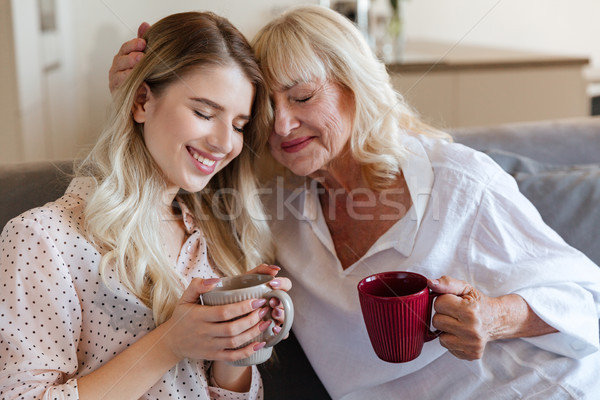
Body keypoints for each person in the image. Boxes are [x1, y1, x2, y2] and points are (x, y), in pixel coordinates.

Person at [109, 5, 600, 399]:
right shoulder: (276, 214)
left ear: (355, 86)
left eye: (302, 98)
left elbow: (588, 299)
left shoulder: (457, 182)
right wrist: (136, 99)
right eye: (266, 112)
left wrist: (495, 317)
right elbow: (187, 164)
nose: (282, 125)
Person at [0, 11, 292, 400]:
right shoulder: (43, 239)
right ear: (141, 101)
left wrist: (235, 345)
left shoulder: (213, 238)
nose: (225, 142)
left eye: (239, 125)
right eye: (204, 112)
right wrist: (169, 343)